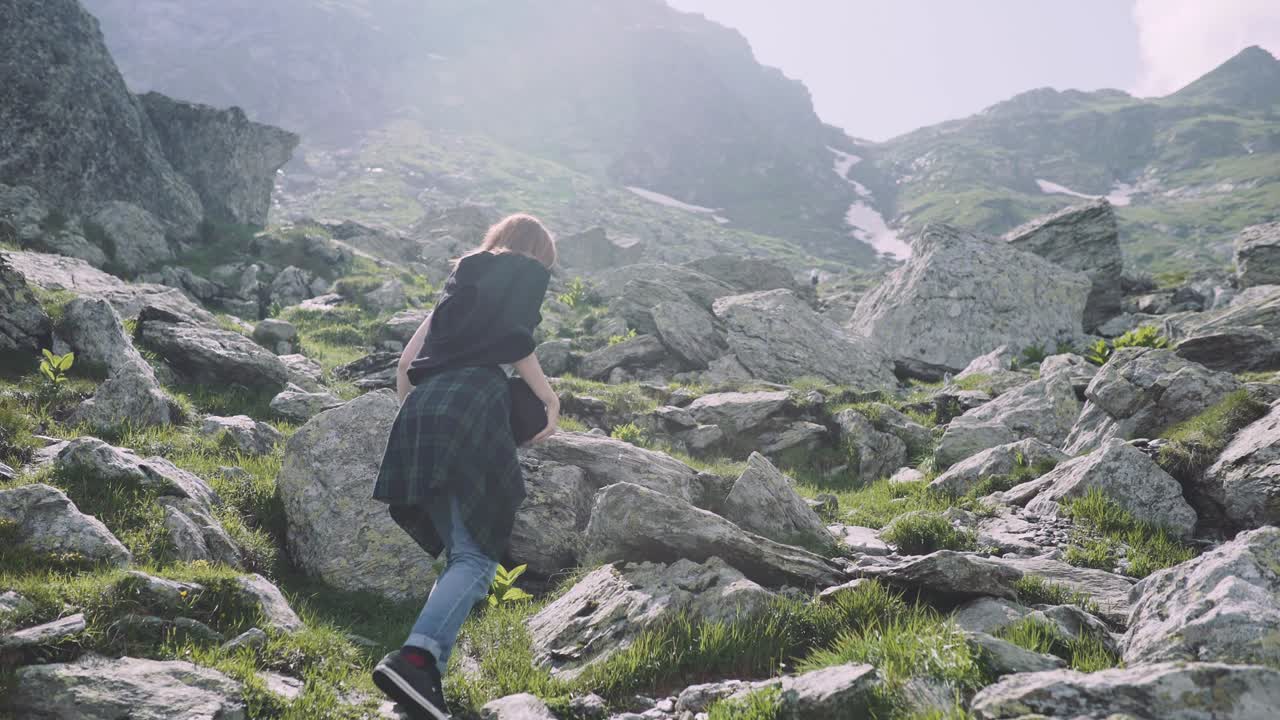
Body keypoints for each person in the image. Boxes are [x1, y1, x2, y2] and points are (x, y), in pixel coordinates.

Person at [370, 213, 560, 719]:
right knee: (478, 559)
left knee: (463, 556)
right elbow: (516, 339)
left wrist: (422, 415)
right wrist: (548, 398)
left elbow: (405, 366)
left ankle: (422, 685)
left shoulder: (458, 288)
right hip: (471, 408)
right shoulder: (521, 273)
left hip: (420, 411)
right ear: (535, 253)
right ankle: (416, 657)